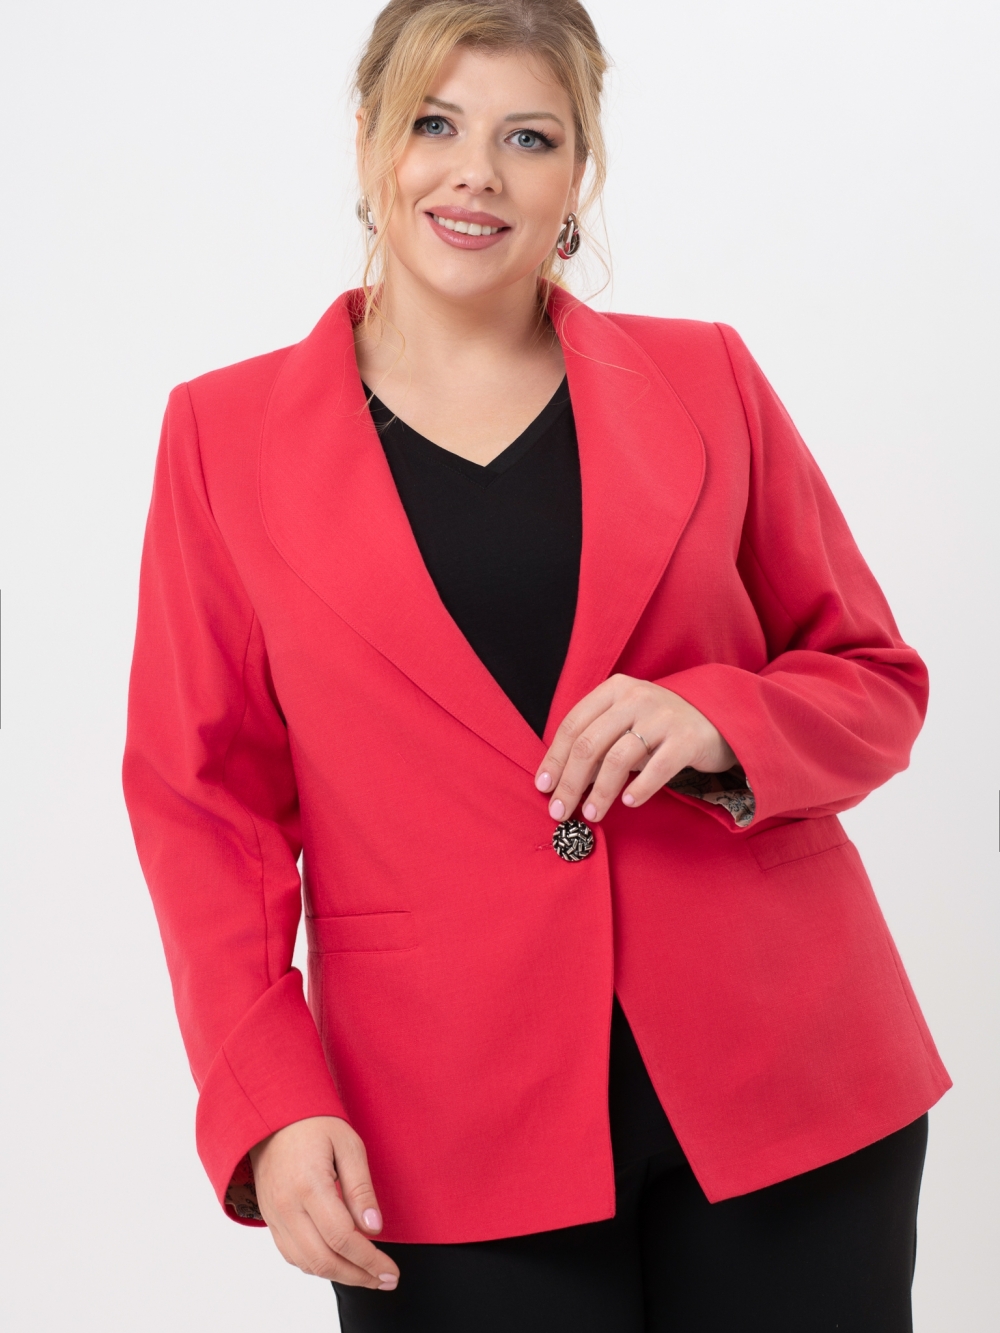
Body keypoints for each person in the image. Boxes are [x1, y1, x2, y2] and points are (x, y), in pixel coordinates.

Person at [123, 1, 951, 1328]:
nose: (477, 174)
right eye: (436, 125)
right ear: (369, 141)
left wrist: (719, 719)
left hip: (788, 1090)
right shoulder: (221, 436)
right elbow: (202, 805)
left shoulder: (707, 377)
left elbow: (874, 676)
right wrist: (267, 1099)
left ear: (579, 174)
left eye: (529, 138)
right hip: (439, 1121)